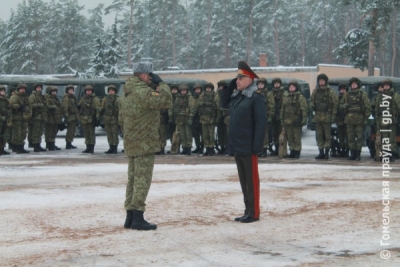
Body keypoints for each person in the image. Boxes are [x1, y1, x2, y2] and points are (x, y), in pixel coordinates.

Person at [119, 63, 172, 230]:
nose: (151, 78)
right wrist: (162, 84)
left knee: (133, 179)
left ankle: (130, 216)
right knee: (142, 180)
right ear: (143, 76)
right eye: (150, 75)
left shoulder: (126, 93)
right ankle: (138, 217)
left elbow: (121, 119)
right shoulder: (143, 92)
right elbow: (166, 100)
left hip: (132, 141)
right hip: (144, 142)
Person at [220, 61, 266, 223]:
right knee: (244, 181)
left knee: (252, 181)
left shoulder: (256, 97)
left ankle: (254, 213)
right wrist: (230, 86)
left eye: (240, 78)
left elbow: (261, 123)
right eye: (236, 78)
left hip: (249, 146)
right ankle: (247, 210)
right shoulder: (238, 97)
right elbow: (223, 104)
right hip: (237, 145)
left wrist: (257, 146)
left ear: (250, 80)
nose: (237, 81)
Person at [340, 77, 371, 161]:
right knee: (350, 138)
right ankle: (352, 153)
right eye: (352, 84)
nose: (353, 86)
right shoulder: (346, 95)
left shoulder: (362, 94)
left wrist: (366, 119)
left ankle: (358, 154)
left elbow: (368, 107)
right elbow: (341, 105)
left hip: (359, 119)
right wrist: (344, 106)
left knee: (359, 138)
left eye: (355, 84)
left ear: (358, 85)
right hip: (349, 119)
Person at [310, 73, 338, 159]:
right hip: (318, 116)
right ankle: (321, 151)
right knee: (319, 135)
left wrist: (333, 116)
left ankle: (326, 152)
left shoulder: (331, 92)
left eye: (323, 80)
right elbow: (311, 102)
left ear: (325, 81)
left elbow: (335, 104)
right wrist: (311, 107)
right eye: (320, 81)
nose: (321, 82)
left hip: (327, 116)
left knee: (327, 136)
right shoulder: (315, 91)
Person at [280, 80, 308, 158]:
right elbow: (283, 109)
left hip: (296, 121)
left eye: (293, 87)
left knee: (297, 138)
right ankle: (292, 150)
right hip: (287, 121)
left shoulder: (300, 97)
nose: (291, 88)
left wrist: (303, 120)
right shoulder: (286, 97)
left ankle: (297, 152)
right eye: (290, 87)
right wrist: (282, 120)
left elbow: (304, 109)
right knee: (290, 138)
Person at [375, 78, 400, 162]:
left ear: (390, 86)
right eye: (384, 85)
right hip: (383, 120)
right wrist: (377, 121)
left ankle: (391, 155)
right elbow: (377, 110)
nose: (386, 87)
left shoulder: (395, 95)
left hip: (392, 120)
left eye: (387, 85)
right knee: (385, 138)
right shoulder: (379, 97)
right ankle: (386, 154)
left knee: (392, 139)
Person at [172, 83, 195, 155]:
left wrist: (190, 117)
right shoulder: (178, 98)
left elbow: (192, 108)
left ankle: (188, 148)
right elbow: (175, 108)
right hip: (179, 119)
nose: (183, 92)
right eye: (182, 90)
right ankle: (184, 147)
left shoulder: (189, 98)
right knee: (182, 134)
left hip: (187, 118)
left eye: (184, 90)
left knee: (188, 134)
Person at [78, 85, 101, 154]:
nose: (88, 92)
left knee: (91, 134)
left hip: (91, 118)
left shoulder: (95, 99)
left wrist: (97, 118)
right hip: (84, 119)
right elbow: (80, 107)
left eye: (90, 91)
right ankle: (87, 147)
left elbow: (98, 109)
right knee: (86, 134)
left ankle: (91, 148)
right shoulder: (83, 99)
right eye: (87, 91)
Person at [9, 83, 32, 154]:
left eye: (24, 89)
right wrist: (19, 106)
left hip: (24, 118)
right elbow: (10, 105)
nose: (23, 90)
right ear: (18, 89)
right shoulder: (14, 97)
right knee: (17, 133)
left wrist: (28, 112)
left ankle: (21, 146)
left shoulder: (25, 97)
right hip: (17, 118)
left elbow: (29, 105)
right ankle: (16, 147)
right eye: (21, 89)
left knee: (23, 133)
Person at [198, 82, 218, 156]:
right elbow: (199, 104)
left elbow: (216, 106)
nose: (208, 89)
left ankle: (211, 149)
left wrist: (216, 118)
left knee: (211, 135)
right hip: (203, 118)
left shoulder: (214, 95)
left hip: (211, 118)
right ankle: (207, 149)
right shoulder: (202, 95)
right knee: (205, 135)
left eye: (209, 88)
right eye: (207, 88)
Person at [256, 78, 275, 157]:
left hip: (264, 116)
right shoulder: (255, 93)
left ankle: (264, 149)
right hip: (256, 117)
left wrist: (270, 116)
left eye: (262, 84)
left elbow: (271, 106)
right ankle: (259, 150)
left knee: (264, 134)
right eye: (259, 84)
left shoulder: (268, 94)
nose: (260, 86)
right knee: (257, 134)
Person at [270, 77, 288, 155]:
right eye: (275, 83)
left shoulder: (284, 93)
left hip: (281, 116)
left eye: (277, 83)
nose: (276, 85)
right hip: (274, 116)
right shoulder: (270, 94)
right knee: (274, 134)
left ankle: (282, 150)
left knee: (282, 134)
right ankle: (276, 149)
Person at [28, 83, 47, 152]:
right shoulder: (32, 96)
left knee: (40, 132)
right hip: (36, 116)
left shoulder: (42, 96)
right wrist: (39, 105)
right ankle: (35, 146)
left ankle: (38, 144)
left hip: (42, 116)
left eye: (40, 87)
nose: (39, 89)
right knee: (35, 132)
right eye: (37, 87)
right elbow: (30, 105)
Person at [101, 85, 120, 154]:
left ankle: (115, 147)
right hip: (107, 119)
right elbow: (102, 108)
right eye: (110, 91)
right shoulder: (105, 99)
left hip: (114, 119)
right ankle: (111, 147)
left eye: (112, 91)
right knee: (109, 134)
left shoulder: (118, 99)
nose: (111, 92)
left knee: (114, 134)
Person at [61, 84, 79, 149]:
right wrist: (66, 117)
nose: (71, 91)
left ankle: (70, 142)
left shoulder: (72, 97)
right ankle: (68, 143)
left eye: (72, 90)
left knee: (73, 130)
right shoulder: (66, 98)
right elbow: (65, 108)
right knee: (70, 131)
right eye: (70, 90)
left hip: (74, 116)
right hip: (70, 116)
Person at [45, 86, 63, 151]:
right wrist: (54, 107)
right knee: (49, 132)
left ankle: (52, 143)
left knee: (54, 131)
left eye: (55, 92)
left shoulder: (55, 98)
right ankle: (49, 144)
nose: (54, 93)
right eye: (53, 92)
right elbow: (47, 106)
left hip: (55, 118)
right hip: (50, 118)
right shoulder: (47, 98)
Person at [335, 83, 349, 157]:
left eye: (344, 89)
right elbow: (335, 107)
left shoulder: (348, 97)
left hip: (348, 120)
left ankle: (347, 150)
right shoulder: (337, 98)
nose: (342, 91)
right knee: (341, 136)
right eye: (341, 89)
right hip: (339, 120)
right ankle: (342, 149)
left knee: (348, 136)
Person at [191, 83, 203, 154]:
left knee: (203, 134)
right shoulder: (193, 98)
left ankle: (202, 147)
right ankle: (198, 146)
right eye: (196, 89)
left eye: (198, 89)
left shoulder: (203, 96)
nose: (197, 91)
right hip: (195, 119)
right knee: (196, 134)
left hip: (202, 118)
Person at [0, 86, 12, 155]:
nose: (3, 92)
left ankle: (2, 149)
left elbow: (9, 109)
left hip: (5, 120)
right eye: (1, 91)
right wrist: (1, 117)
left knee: (5, 135)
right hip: (1, 120)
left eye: (3, 91)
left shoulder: (6, 100)